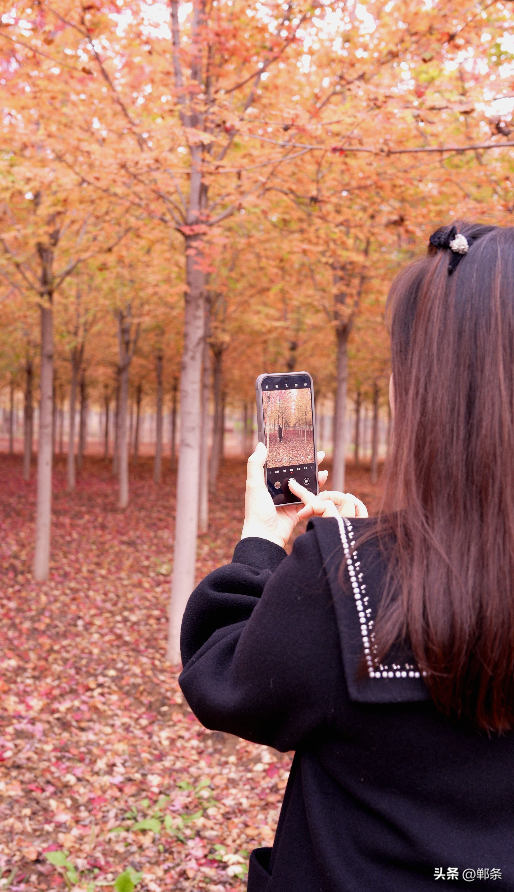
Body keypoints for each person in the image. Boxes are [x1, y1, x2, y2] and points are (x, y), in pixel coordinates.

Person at [179, 222, 514, 891]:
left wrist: (268, 539)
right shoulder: (346, 573)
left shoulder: (348, 581)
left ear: (428, 391)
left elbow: (224, 680)